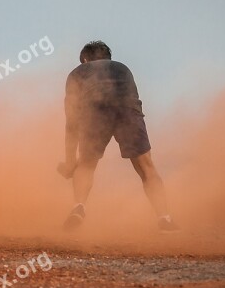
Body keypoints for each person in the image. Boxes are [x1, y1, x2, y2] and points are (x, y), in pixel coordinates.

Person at [59, 41, 177, 231]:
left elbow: (71, 121)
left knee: (86, 165)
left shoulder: (77, 73)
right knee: (146, 166)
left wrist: (70, 162)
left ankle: (78, 207)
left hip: (95, 111)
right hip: (127, 110)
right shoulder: (123, 68)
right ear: (107, 57)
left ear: (85, 59)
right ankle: (165, 219)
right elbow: (134, 102)